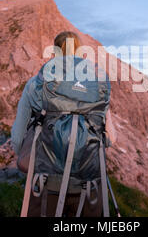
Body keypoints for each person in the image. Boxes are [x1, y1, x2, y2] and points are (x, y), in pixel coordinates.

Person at [11, 31, 116, 217]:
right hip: (88, 184)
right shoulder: (96, 84)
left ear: (55, 53)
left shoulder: (36, 83)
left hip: (45, 182)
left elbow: (17, 138)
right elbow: (110, 139)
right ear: (81, 53)